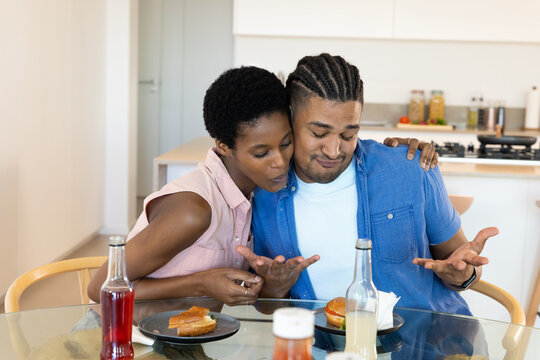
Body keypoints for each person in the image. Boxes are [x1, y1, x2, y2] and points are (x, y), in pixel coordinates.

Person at [87, 65, 437, 306]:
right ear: (222, 146)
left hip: (183, 338)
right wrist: (202, 282)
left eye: (286, 143)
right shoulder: (195, 209)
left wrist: (390, 151)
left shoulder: (258, 197)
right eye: (260, 152)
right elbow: (99, 286)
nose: (280, 162)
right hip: (123, 341)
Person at [239, 53, 498, 315]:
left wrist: (463, 274)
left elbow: (464, 269)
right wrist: (274, 287)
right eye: (318, 133)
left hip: (425, 344)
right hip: (321, 350)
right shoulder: (262, 194)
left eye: (348, 134)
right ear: (290, 117)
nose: (333, 150)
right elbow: (268, 306)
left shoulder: (410, 168)